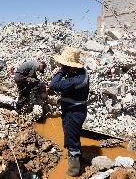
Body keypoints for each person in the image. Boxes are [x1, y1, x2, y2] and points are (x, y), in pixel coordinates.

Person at [49, 47, 89, 177]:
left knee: (71, 140)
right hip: (76, 110)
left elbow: (54, 85)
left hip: (73, 113)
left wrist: (61, 71)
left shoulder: (76, 80)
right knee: (74, 135)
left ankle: (73, 171)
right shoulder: (82, 72)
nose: (62, 65)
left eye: (64, 64)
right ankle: (79, 158)